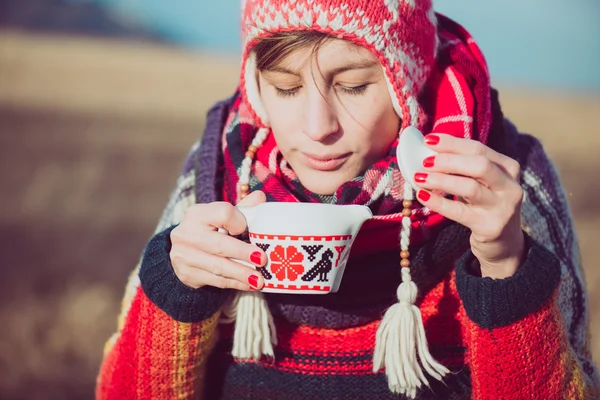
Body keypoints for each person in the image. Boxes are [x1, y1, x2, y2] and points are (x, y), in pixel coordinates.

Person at [96, 1, 600, 399]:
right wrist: (174, 290)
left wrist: (506, 268)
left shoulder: (500, 182)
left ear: (407, 77)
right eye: (286, 88)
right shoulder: (220, 173)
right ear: (255, 87)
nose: (319, 129)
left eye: (354, 86)